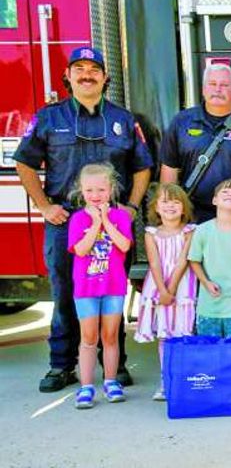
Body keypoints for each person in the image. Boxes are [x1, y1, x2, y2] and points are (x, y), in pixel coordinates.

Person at [15, 46, 152, 392]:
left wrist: (132, 208)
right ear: (68, 76)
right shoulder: (49, 118)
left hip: (111, 222)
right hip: (66, 221)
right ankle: (62, 366)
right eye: (79, 68)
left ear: (105, 78)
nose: (87, 74)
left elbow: (143, 167)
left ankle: (114, 366)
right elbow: (24, 163)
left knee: (112, 292)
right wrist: (45, 206)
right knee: (65, 294)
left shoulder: (123, 120)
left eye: (94, 68)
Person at [159, 63, 231, 223]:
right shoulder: (182, 122)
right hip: (192, 218)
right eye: (212, 84)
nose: (218, 89)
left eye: (224, 85)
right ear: (203, 89)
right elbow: (169, 171)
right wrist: (169, 219)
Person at [68, 164, 133, 409]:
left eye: (101, 189)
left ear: (111, 190)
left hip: (113, 287)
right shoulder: (78, 219)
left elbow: (124, 246)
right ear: (81, 191)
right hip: (86, 289)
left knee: (110, 336)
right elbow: (82, 249)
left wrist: (106, 219)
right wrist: (95, 223)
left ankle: (110, 381)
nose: (95, 195)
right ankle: (86, 386)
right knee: (88, 338)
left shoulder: (120, 217)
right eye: (89, 190)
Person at [134, 183, 196, 401]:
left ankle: (182, 379)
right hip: (159, 286)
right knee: (164, 334)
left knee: (183, 333)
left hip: (182, 286)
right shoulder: (152, 234)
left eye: (176, 201)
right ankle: (165, 380)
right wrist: (162, 290)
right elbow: (155, 263)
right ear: (156, 207)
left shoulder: (190, 231)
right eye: (165, 201)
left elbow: (182, 262)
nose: (170, 206)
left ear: (184, 207)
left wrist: (171, 289)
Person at [188, 180, 231, 340]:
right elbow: (194, 260)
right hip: (208, 307)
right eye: (225, 192)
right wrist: (205, 282)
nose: (230, 195)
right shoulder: (202, 230)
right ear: (214, 200)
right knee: (209, 354)